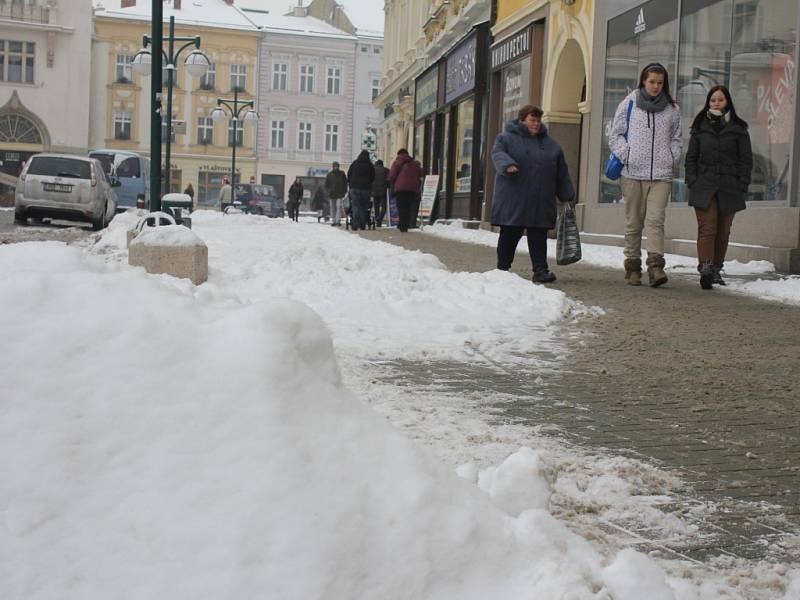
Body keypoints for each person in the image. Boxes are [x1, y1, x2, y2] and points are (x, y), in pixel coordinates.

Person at [610, 62, 682, 287]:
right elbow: (615, 135)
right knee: (633, 222)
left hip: (661, 174)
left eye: (660, 83)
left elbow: (677, 138)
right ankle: (632, 267)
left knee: (655, 220)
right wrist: (627, 154)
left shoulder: (672, 108)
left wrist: (672, 156)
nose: (656, 86)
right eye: (652, 82)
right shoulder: (629, 104)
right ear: (643, 81)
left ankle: (656, 267)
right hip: (632, 173)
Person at [490, 105, 574, 284]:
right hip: (514, 197)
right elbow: (497, 153)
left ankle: (540, 270)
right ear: (522, 120)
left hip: (540, 199)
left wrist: (566, 194)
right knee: (510, 233)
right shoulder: (506, 138)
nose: (536, 124)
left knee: (538, 234)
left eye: (538, 120)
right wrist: (507, 165)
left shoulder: (551, 145)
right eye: (532, 120)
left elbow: (561, 171)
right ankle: (503, 268)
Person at [685, 85, 752, 289]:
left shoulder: (739, 129)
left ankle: (716, 268)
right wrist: (692, 181)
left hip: (730, 186)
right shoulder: (700, 126)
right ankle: (705, 267)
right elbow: (691, 158)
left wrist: (742, 184)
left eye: (720, 100)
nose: (716, 103)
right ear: (708, 102)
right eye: (713, 100)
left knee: (723, 231)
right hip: (704, 186)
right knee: (708, 227)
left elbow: (746, 160)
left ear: (727, 102)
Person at [388, 149, 423, 232]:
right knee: (408, 207)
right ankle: (406, 224)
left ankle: (402, 225)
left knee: (401, 207)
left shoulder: (397, 163)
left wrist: (392, 183)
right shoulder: (414, 163)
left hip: (400, 189)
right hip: (412, 189)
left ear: (399, 154)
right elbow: (420, 175)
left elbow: (392, 175)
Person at [347, 150, 375, 230]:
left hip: (354, 188)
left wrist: (350, 184)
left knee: (355, 205)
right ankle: (362, 223)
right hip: (366, 188)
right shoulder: (370, 165)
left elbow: (349, 175)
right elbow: (373, 177)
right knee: (363, 206)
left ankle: (355, 223)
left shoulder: (354, 163)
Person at [324, 162, 348, 226]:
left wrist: (344, 191)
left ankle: (338, 221)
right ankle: (334, 221)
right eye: (335, 166)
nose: (336, 167)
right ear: (333, 167)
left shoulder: (342, 174)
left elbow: (345, 183)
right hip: (331, 194)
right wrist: (328, 191)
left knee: (338, 207)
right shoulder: (329, 175)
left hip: (340, 194)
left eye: (337, 166)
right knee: (333, 208)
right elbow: (326, 185)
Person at [371, 159, 389, 227]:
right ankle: (380, 218)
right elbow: (389, 179)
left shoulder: (373, 170)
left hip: (374, 191)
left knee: (376, 206)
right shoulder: (386, 170)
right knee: (384, 206)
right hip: (383, 191)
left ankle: (377, 220)